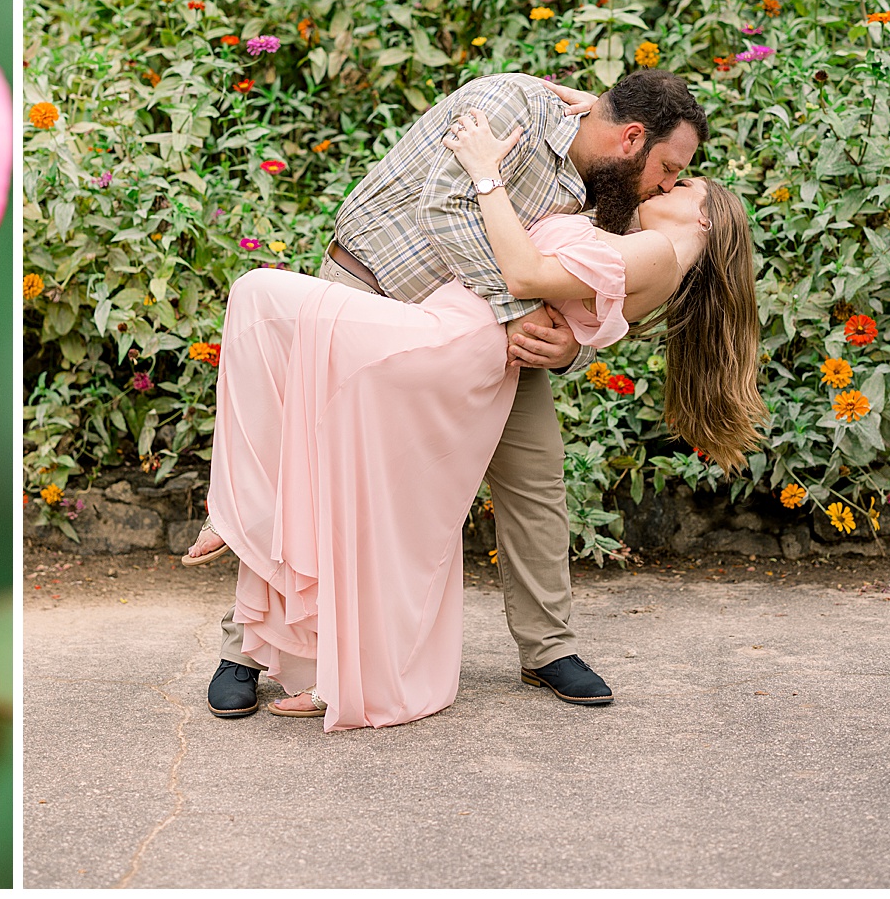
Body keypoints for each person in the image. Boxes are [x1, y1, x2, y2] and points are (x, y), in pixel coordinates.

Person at [187, 70, 713, 719]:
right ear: (631, 137)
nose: (666, 184)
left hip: (480, 336)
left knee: (535, 475)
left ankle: (548, 649)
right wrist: (514, 307)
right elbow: (449, 207)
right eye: (666, 167)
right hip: (371, 297)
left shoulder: (608, 186)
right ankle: (245, 650)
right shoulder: (506, 106)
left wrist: (569, 347)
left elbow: (596, 280)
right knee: (311, 468)